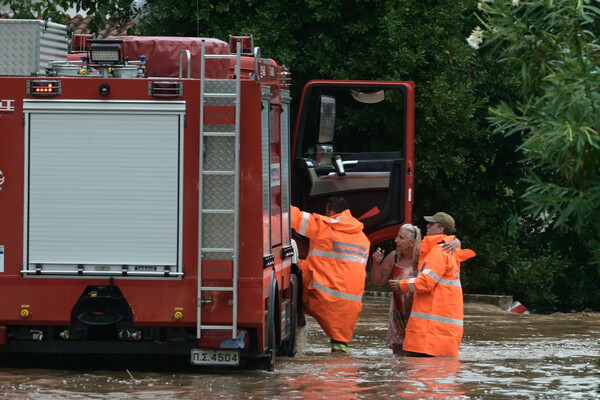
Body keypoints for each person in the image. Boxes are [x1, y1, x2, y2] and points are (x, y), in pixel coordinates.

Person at [388, 212, 476, 357]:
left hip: (429, 336)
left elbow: (426, 283)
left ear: (440, 229)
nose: (427, 226)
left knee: (416, 373)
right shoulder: (447, 250)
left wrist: (400, 284)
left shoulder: (439, 251)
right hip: (441, 335)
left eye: (431, 224)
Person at [291, 197, 370, 353]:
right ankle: (339, 353)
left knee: (299, 267)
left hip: (324, 296)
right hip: (350, 305)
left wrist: (273, 201)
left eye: (326, 212)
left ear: (331, 212)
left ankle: (299, 312)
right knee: (339, 344)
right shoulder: (363, 238)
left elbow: (295, 217)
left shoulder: (324, 227)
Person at [371, 223, 421, 354]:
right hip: (397, 312)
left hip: (417, 313)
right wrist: (376, 263)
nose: (396, 240)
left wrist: (456, 242)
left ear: (412, 242)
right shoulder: (394, 256)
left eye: (401, 237)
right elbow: (378, 281)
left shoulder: (422, 258)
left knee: (416, 350)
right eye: (397, 237)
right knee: (398, 351)